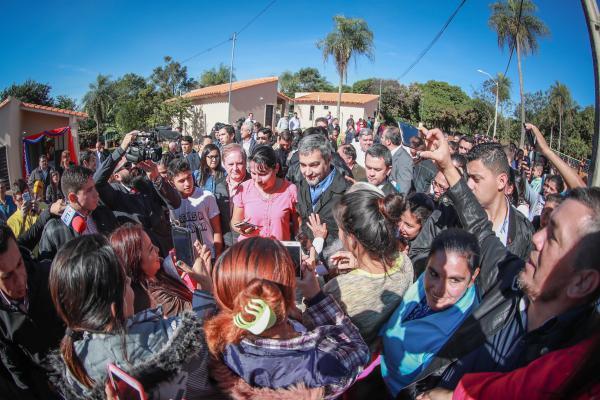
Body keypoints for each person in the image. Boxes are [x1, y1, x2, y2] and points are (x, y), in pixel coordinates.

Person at [413, 128, 599, 392]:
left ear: (582, 282)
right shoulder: (509, 276)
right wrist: (446, 164)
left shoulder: (569, 370)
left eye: (554, 238)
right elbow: (478, 225)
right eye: (545, 227)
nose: (537, 239)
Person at [48, 234, 218, 400]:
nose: (130, 282)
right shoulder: (169, 338)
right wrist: (205, 288)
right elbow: (204, 336)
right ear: (115, 306)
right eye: (126, 283)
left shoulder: (74, 362)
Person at [203, 237, 369, 398]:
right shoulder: (319, 366)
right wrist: (315, 296)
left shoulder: (223, 342)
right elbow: (359, 351)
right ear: (282, 296)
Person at [380, 229, 481, 397]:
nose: (439, 290)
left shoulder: (459, 336)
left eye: (455, 280)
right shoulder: (429, 274)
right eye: (434, 274)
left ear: (473, 277)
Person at [325, 187, 413, 347]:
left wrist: (311, 291)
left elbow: (309, 323)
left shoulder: (340, 290)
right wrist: (359, 263)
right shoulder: (405, 262)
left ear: (352, 240)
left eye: (339, 228)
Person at [0, 224, 66, 399]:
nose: (20, 280)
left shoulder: (49, 275)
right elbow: (16, 370)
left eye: (19, 263)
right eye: (7, 276)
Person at [94, 131, 182, 256]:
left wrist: (156, 178)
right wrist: (120, 150)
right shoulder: (114, 193)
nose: (134, 166)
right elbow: (96, 182)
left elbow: (176, 203)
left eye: (135, 161)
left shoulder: (147, 183)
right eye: (128, 165)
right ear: (117, 175)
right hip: (140, 258)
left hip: (165, 253)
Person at [463, 142, 534, 260]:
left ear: (501, 181)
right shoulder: (456, 214)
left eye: (476, 178)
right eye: (468, 177)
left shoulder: (525, 232)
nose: (469, 185)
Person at [110, 223, 197, 317]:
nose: (157, 249)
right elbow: (199, 314)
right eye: (151, 249)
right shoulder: (155, 298)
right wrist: (203, 278)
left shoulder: (160, 270)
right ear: (136, 262)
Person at [296, 134, 351, 255]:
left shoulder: (347, 193)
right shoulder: (301, 185)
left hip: (335, 267)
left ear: (328, 159)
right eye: (303, 165)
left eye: (314, 165)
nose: (308, 172)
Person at [231, 145, 298, 241]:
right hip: (250, 251)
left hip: (277, 252)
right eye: (253, 173)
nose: (257, 180)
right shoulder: (244, 188)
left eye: (263, 174)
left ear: (276, 168)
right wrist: (242, 229)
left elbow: (298, 227)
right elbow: (235, 221)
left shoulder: (290, 190)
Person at [169, 157, 223, 258]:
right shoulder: (171, 205)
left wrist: (218, 255)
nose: (187, 183)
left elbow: (217, 230)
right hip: (188, 259)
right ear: (172, 182)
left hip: (209, 256)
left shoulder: (207, 196)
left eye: (189, 177)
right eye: (181, 181)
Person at [381, 126, 413, 194]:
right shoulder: (389, 154)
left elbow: (403, 190)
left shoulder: (404, 160)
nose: (381, 140)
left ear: (388, 141)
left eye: (382, 137)